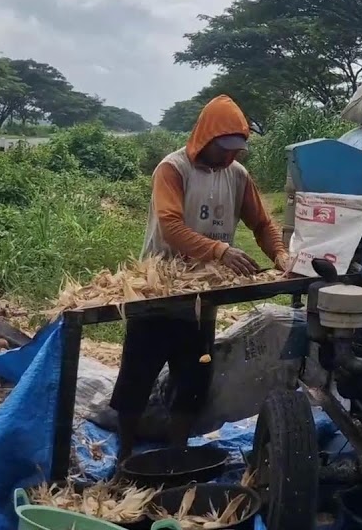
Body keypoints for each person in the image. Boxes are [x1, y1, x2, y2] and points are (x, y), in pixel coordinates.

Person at [111, 94, 290, 466]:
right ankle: (124, 456)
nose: (230, 157)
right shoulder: (173, 169)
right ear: (204, 138)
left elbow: (261, 223)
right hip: (160, 286)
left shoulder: (237, 175)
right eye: (223, 149)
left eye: (236, 150)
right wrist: (220, 251)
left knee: (193, 373)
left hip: (203, 293)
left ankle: (178, 454)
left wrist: (281, 255)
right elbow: (172, 227)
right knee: (138, 374)